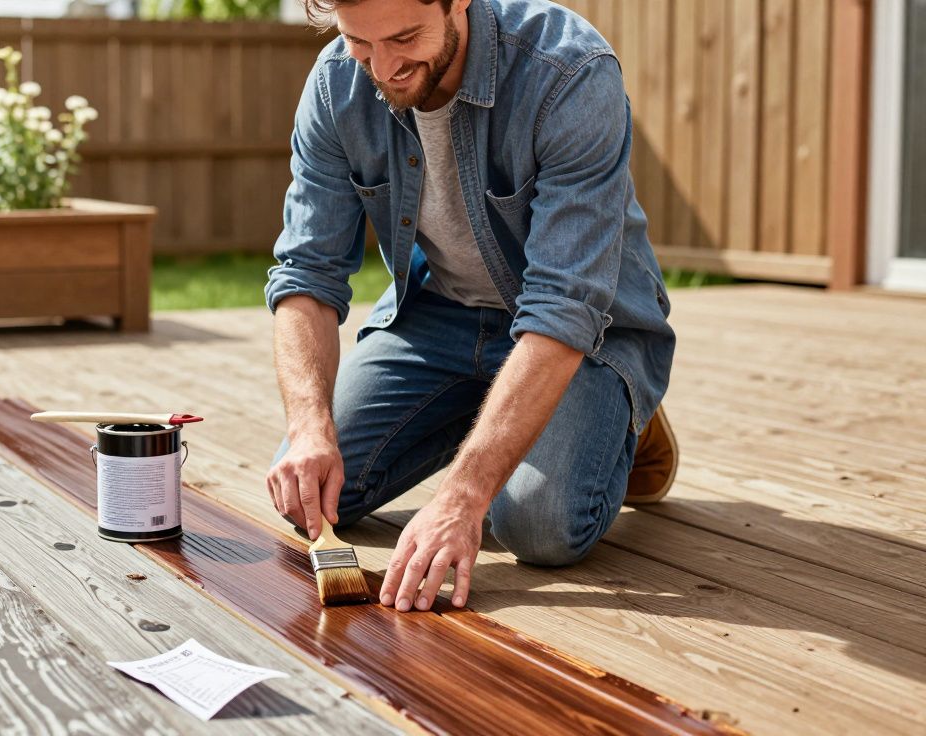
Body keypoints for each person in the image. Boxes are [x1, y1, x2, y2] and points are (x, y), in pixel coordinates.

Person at [263, 0, 679, 614]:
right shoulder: (335, 85)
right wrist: (308, 429)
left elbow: (563, 306)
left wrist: (463, 493)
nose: (383, 67)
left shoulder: (569, 71)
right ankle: (498, 416)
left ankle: (619, 409)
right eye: (359, 42)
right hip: (441, 314)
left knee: (537, 527)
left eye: (405, 37)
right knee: (313, 492)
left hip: (583, 333)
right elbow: (305, 273)